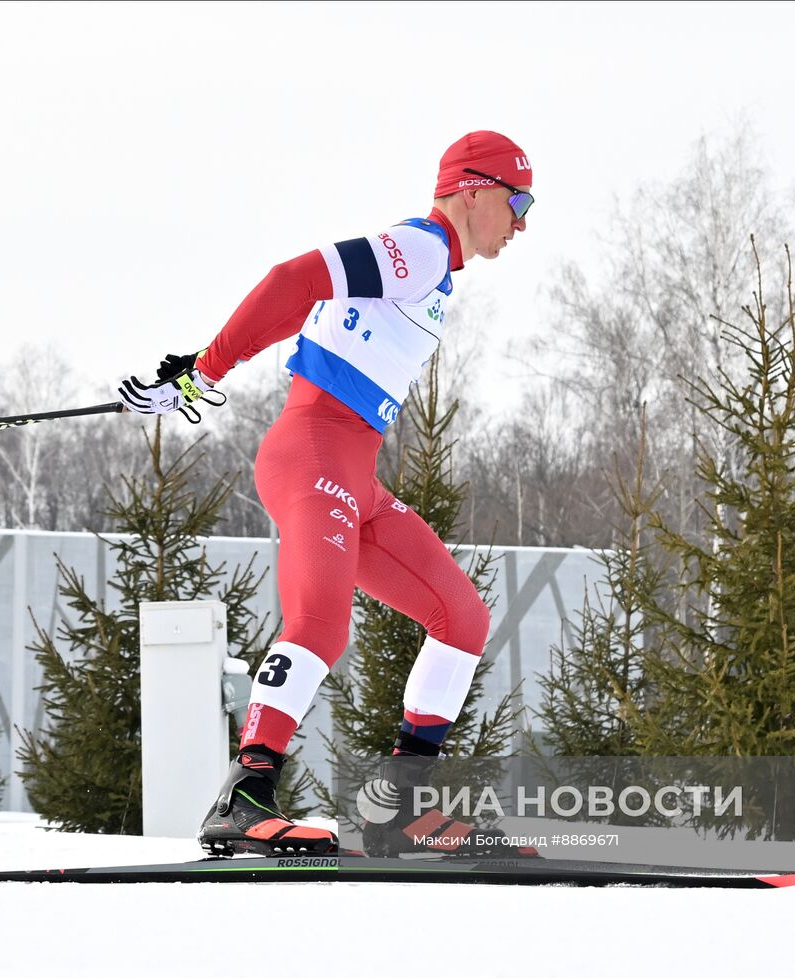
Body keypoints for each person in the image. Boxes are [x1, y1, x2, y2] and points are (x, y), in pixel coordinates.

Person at [118, 131, 534, 858]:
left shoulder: (432, 269)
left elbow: (304, 301)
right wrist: (209, 367)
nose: (522, 223)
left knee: (461, 618)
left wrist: (205, 369)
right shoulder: (426, 247)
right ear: (473, 190)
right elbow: (291, 278)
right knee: (319, 623)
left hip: (353, 471)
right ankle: (245, 797)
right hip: (315, 451)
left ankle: (398, 814)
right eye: (518, 201)